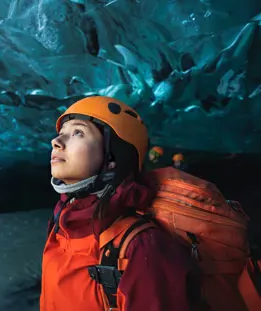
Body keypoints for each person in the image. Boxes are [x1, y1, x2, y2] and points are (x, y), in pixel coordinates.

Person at [40, 96, 201, 311]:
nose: (56, 141)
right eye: (61, 134)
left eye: (78, 132)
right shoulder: (62, 222)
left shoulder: (141, 244)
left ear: (113, 157)